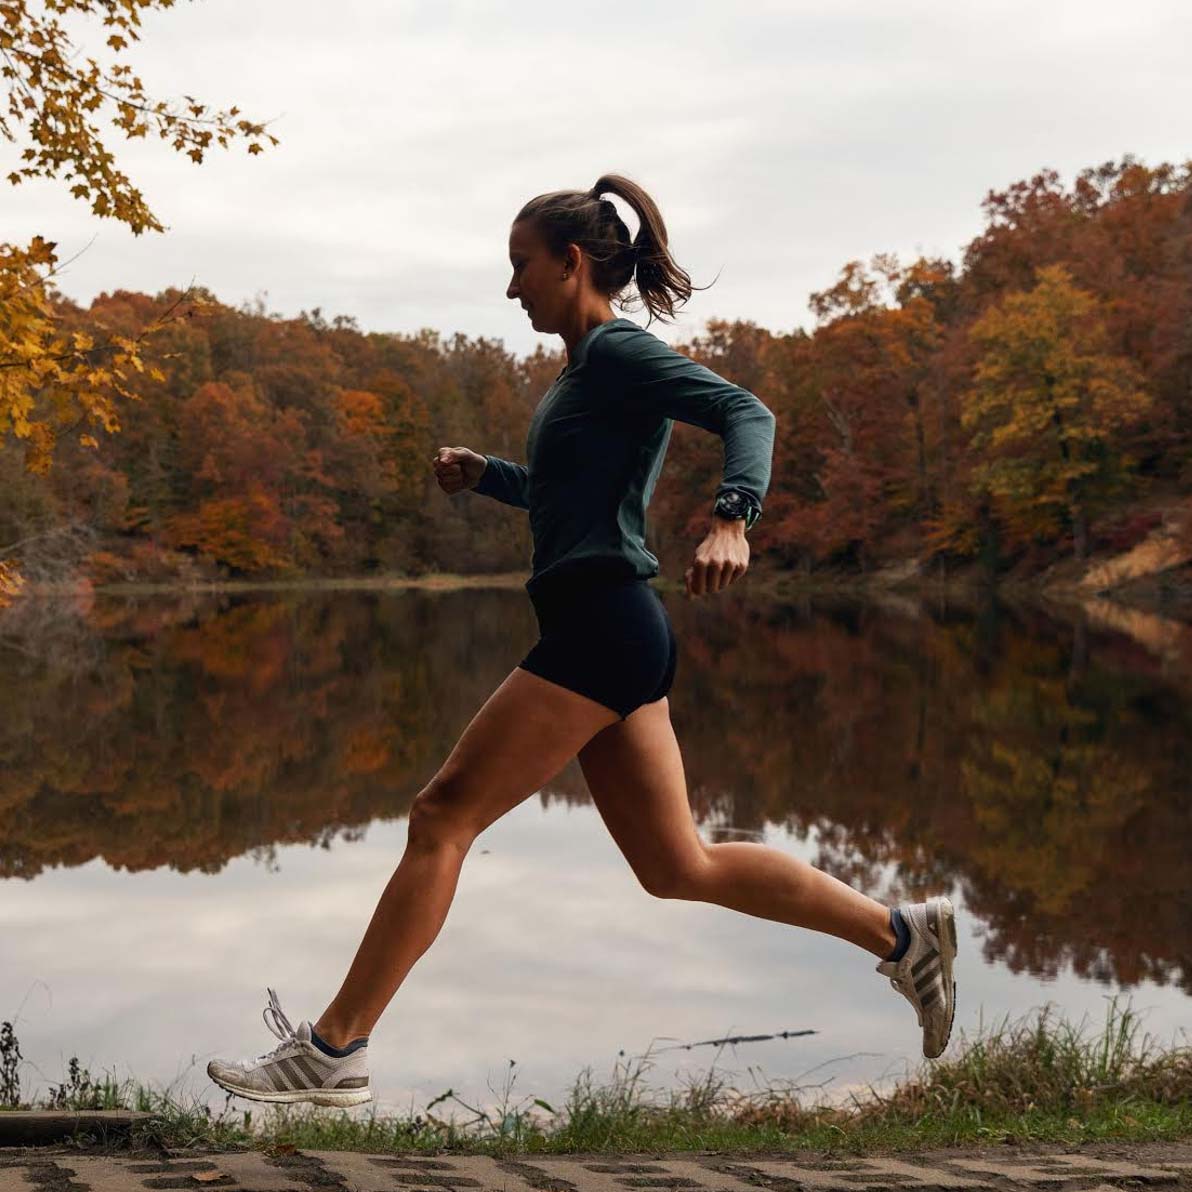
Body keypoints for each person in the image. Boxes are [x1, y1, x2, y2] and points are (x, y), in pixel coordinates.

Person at [206, 173, 957, 1108]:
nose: (511, 288)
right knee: (679, 865)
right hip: (608, 624)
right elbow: (573, 500)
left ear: (570, 263)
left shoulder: (617, 355)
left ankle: (333, 1050)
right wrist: (488, 476)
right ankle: (901, 935)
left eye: (520, 267)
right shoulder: (582, 373)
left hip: (604, 623)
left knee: (443, 816)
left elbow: (746, 412)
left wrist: (735, 518)